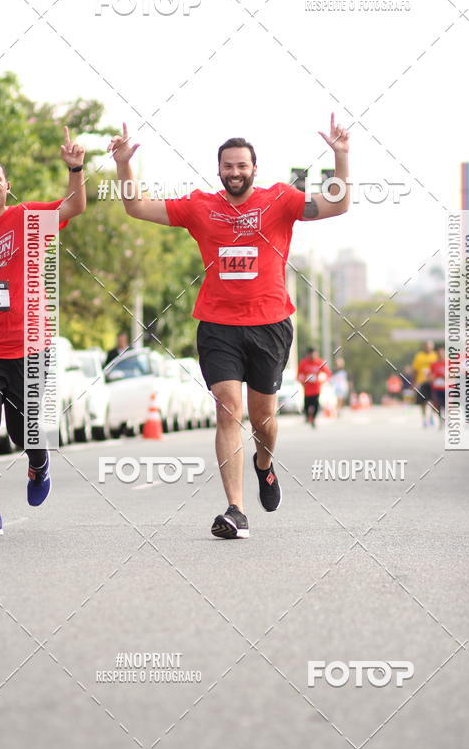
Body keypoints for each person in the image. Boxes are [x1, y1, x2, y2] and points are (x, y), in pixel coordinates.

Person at [110, 114, 350, 539]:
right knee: (227, 409)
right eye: (228, 166)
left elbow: (338, 204)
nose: (235, 172)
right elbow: (135, 206)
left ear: (254, 169)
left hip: (270, 324)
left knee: (263, 419)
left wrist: (341, 158)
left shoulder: (281, 200)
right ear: (218, 169)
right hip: (218, 325)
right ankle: (236, 510)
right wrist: (124, 164)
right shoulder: (200, 206)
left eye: (242, 166)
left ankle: (264, 462)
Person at [0, 129, 86, 536]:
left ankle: (39, 460)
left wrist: (75, 167)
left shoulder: (28, 218)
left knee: (23, 430)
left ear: (6, 187)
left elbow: (75, 205)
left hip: (29, 343)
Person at [297, 347, 332, 426]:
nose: (312, 356)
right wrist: (302, 382)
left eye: (314, 354)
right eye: (310, 354)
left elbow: (328, 373)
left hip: (316, 388)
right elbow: (298, 375)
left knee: (316, 405)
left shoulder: (319, 362)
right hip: (307, 389)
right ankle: (307, 417)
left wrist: (323, 381)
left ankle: (313, 419)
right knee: (306, 405)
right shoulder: (303, 363)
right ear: (307, 355)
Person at [411, 340, 437, 427]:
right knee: (423, 402)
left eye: (430, 346)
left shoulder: (435, 356)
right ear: (424, 347)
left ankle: (431, 417)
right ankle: (424, 419)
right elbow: (415, 370)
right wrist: (413, 382)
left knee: (434, 401)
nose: (428, 348)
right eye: (426, 346)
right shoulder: (419, 356)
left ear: (432, 347)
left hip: (433, 382)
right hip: (421, 382)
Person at [429, 347, 447, 427]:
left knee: (446, 405)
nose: (441, 355)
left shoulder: (449, 363)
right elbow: (430, 376)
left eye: (442, 353)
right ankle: (440, 421)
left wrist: (445, 376)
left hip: (446, 388)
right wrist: (434, 376)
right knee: (438, 405)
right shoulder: (433, 364)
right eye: (439, 354)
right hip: (436, 388)